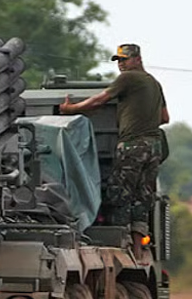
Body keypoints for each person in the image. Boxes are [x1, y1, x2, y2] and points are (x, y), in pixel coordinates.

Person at [59, 43, 169, 241]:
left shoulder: (128, 78)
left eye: (124, 59)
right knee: (142, 196)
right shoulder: (154, 83)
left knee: (119, 193)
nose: (121, 64)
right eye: (118, 60)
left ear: (137, 59)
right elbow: (164, 117)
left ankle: (121, 241)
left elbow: (100, 100)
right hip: (153, 147)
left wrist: (71, 109)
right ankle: (137, 245)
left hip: (132, 145)